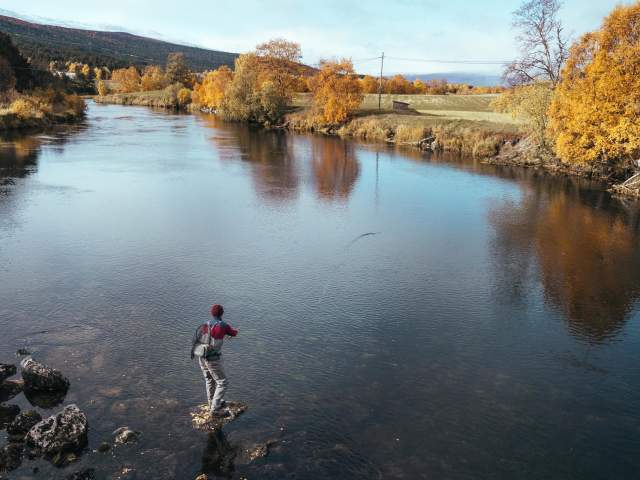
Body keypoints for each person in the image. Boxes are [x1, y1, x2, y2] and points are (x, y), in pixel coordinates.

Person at [191, 304, 238, 416]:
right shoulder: (222, 326)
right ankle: (215, 409)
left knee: (209, 380)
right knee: (223, 382)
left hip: (201, 357)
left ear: (211, 313)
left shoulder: (205, 325)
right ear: (222, 313)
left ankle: (212, 402)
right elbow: (233, 333)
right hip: (212, 359)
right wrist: (236, 331)